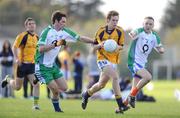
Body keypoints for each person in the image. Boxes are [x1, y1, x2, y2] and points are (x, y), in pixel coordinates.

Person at [34, 10, 94, 112]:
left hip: (52, 66)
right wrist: (56, 44)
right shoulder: (46, 32)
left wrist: (93, 41)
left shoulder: (65, 31)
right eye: (63, 22)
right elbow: (40, 49)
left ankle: (38, 78)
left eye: (65, 22)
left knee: (65, 88)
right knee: (55, 90)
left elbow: (79, 37)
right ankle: (57, 110)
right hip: (42, 66)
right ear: (56, 21)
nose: (64, 24)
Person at [81, 10, 129, 114]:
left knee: (101, 85)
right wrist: (100, 45)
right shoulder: (100, 31)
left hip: (113, 61)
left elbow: (121, 46)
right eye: (113, 20)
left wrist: (117, 47)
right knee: (115, 77)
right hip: (102, 59)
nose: (115, 22)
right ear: (107, 20)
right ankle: (120, 104)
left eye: (117, 20)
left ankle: (86, 94)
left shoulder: (120, 31)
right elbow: (93, 48)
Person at [1, 17, 40, 109]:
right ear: (26, 26)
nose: (32, 25)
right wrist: (17, 59)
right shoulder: (22, 35)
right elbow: (14, 47)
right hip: (22, 65)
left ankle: (35, 105)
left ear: (35, 26)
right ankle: (8, 80)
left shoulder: (37, 37)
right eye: (29, 24)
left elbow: (38, 50)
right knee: (17, 87)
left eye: (33, 23)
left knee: (36, 84)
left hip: (31, 65)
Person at [126, 16, 164, 108]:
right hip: (134, 62)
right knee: (148, 77)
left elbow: (160, 47)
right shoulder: (140, 31)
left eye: (150, 24)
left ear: (153, 25)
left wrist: (161, 50)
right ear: (143, 24)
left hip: (142, 64)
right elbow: (133, 33)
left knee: (133, 89)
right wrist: (132, 34)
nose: (148, 25)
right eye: (146, 23)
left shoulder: (154, 36)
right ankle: (132, 95)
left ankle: (122, 106)